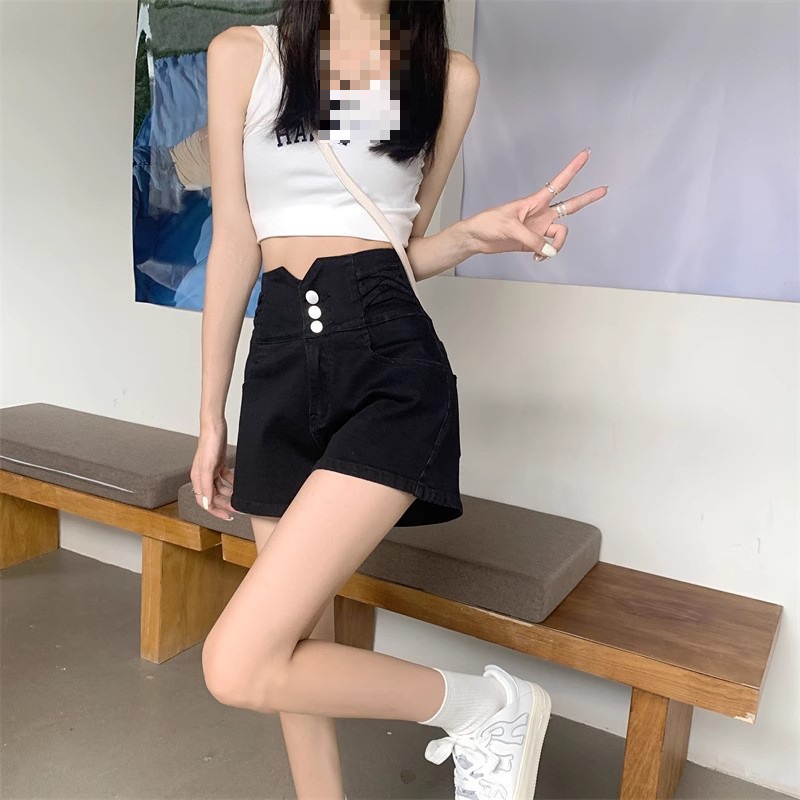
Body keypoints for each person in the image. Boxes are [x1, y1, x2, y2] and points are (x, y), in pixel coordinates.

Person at [190, 1, 608, 798]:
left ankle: (489, 707)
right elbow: (235, 238)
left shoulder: (447, 77)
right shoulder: (244, 54)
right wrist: (210, 414)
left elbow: (399, 248)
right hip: (277, 363)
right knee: (285, 644)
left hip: (388, 357)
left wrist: (472, 236)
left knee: (235, 663)